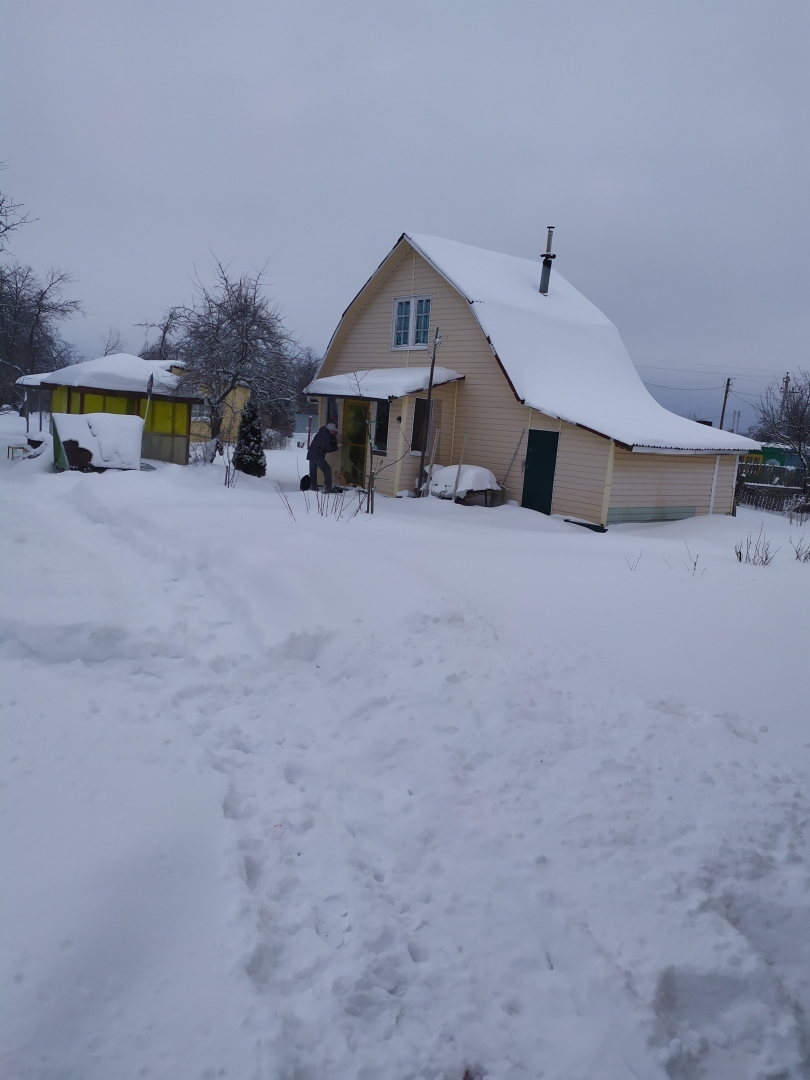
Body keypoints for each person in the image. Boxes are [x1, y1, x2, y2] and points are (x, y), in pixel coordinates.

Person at [306, 422, 338, 491]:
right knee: (327, 469)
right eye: (334, 431)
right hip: (318, 455)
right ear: (330, 430)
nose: (334, 432)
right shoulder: (326, 435)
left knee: (313, 471)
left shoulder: (321, 433)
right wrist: (336, 446)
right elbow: (328, 448)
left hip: (311, 454)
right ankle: (328, 487)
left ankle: (313, 486)